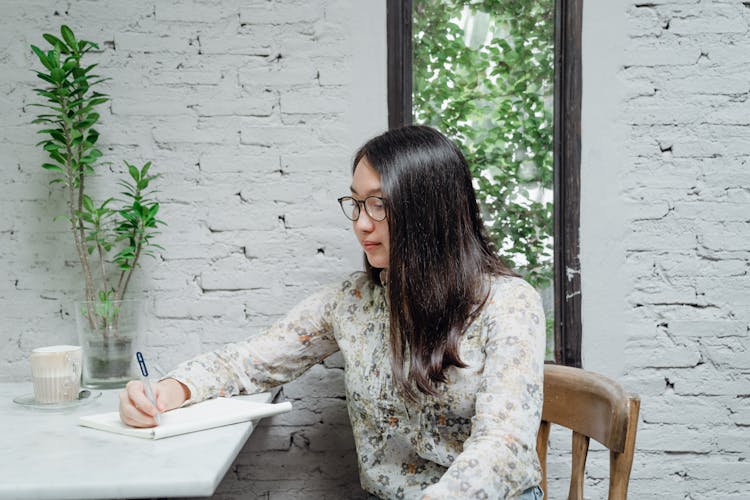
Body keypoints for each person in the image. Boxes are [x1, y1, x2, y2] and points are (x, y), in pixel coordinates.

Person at [120, 125, 546, 499]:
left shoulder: (508, 303)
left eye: (379, 204)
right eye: (357, 203)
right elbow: (249, 361)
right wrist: (170, 390)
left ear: (427, 212)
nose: (361, 223)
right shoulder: (351, 302)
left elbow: (504, 445)